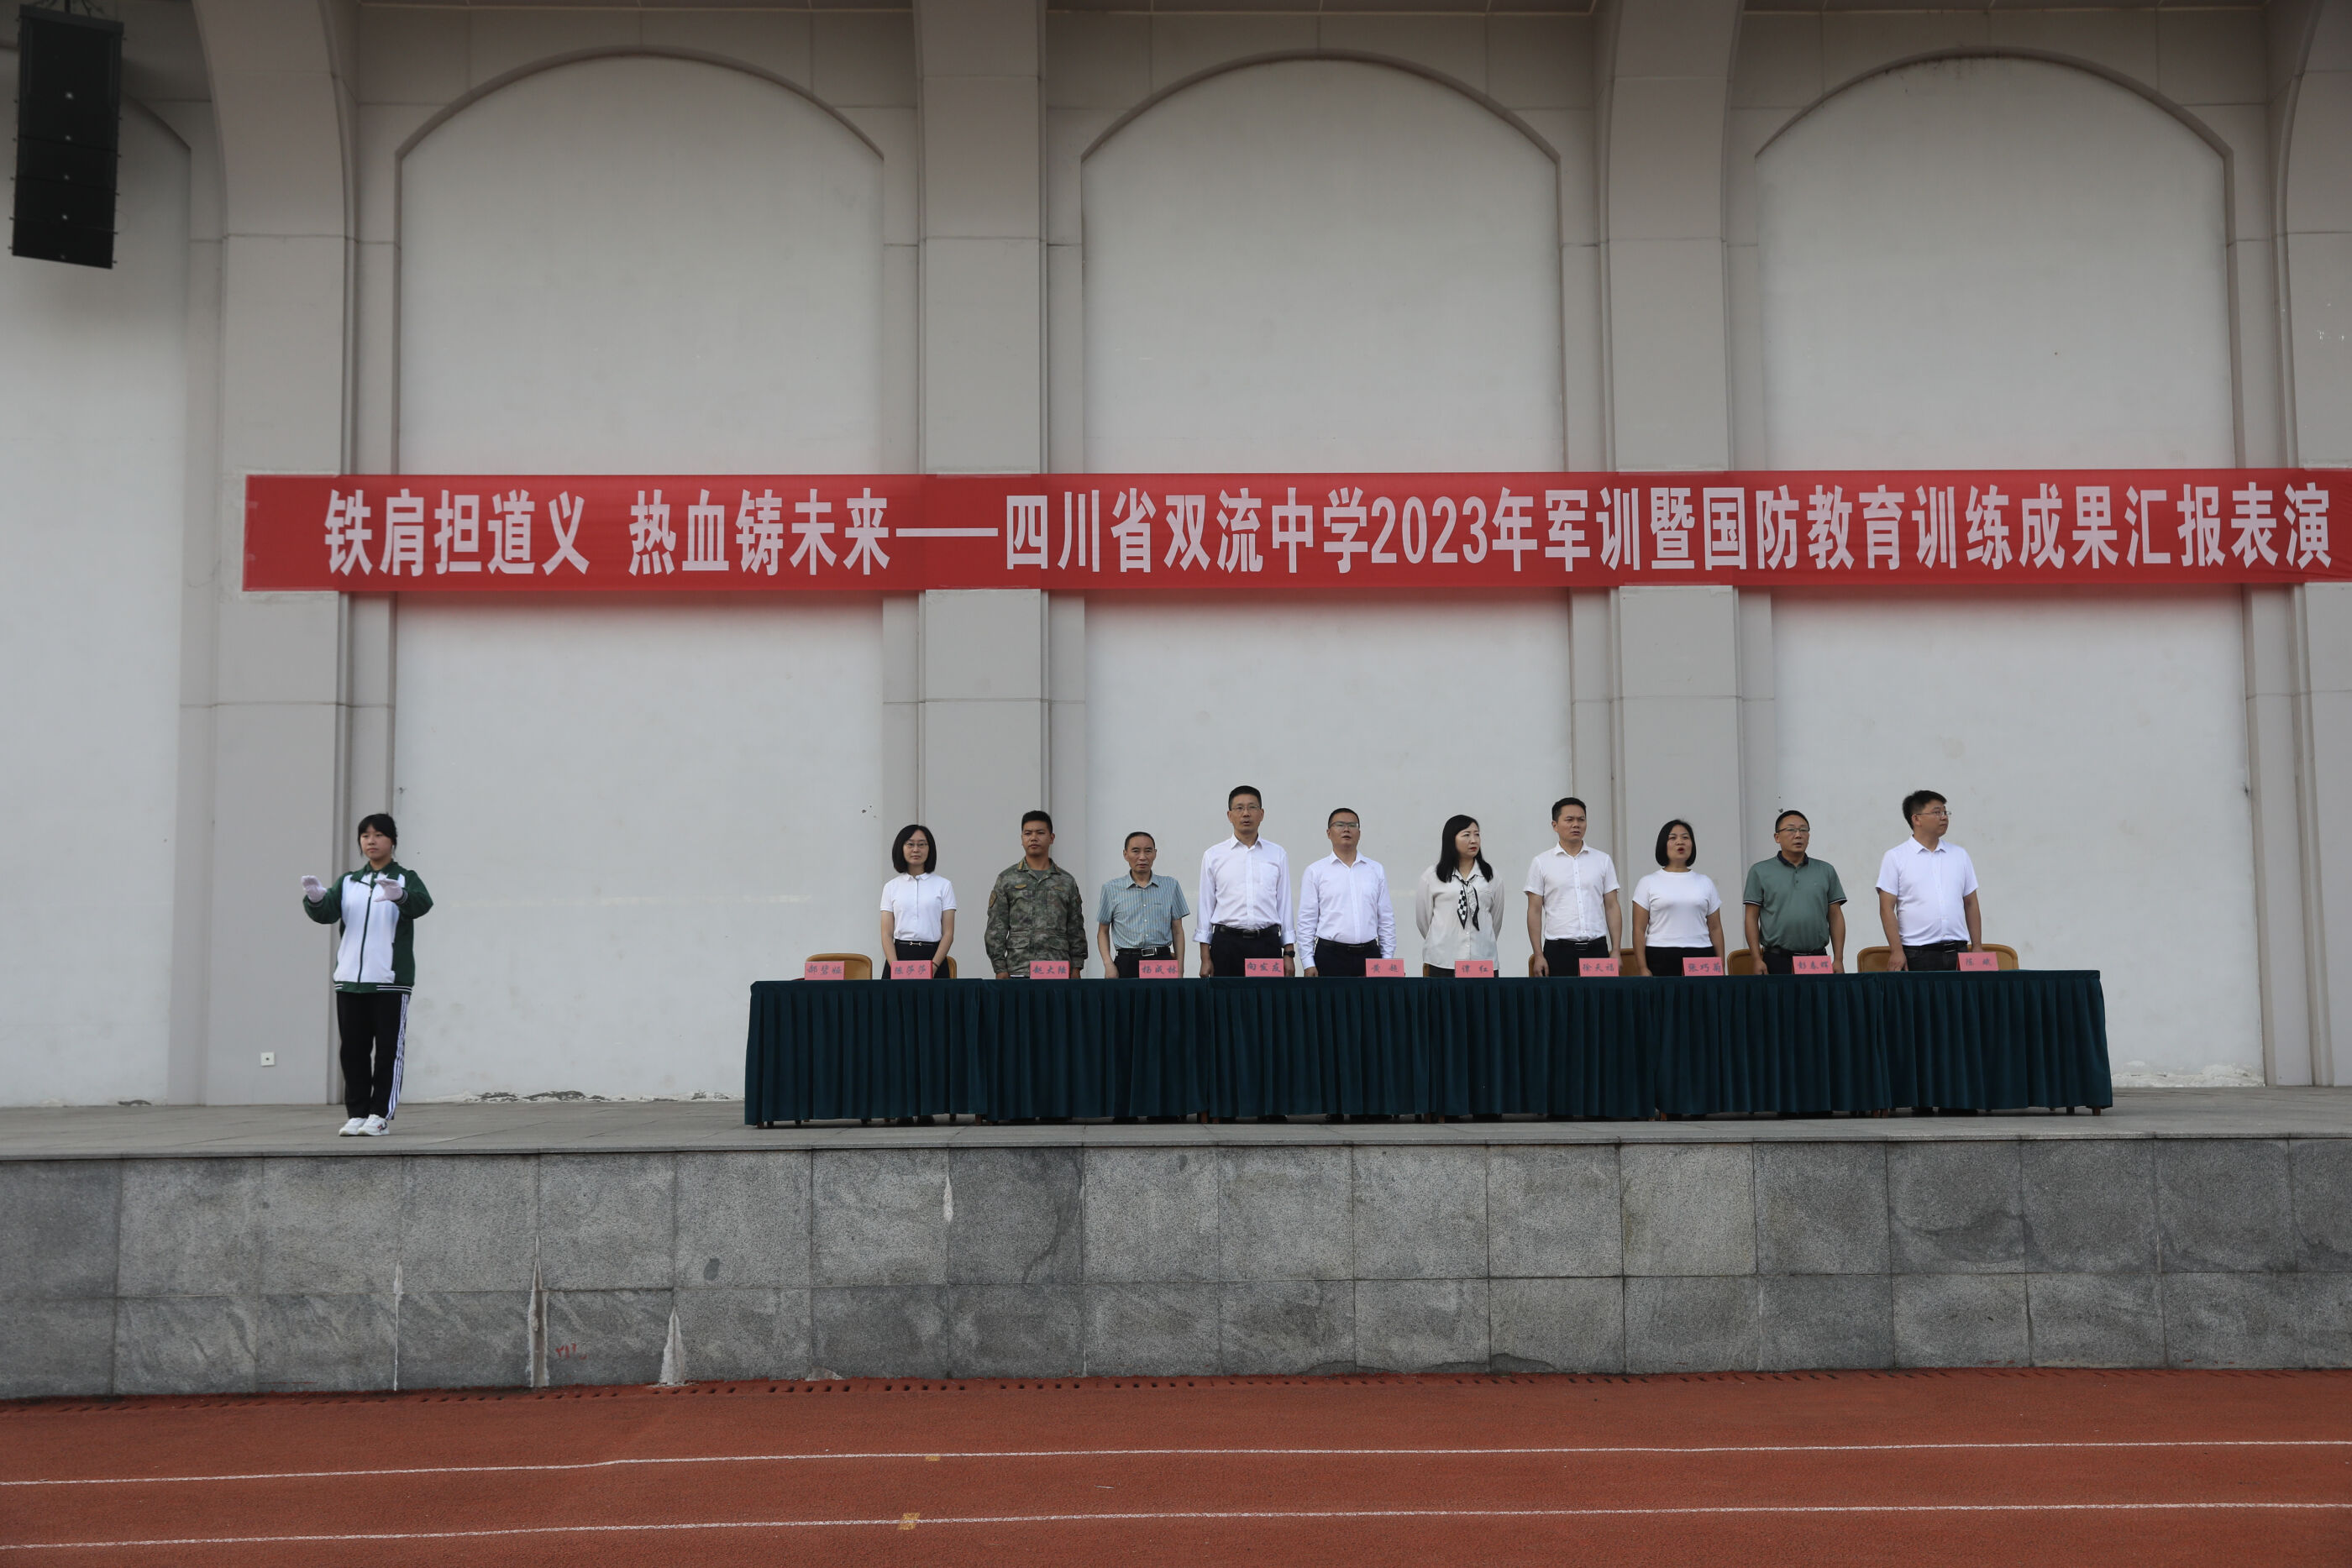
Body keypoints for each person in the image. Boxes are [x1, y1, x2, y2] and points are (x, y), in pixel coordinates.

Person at [302, 813, 433, 1138]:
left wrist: (400, 896)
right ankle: (357, 1114)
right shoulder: (348, 882)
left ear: (392, 841)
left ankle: (379, 1115)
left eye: (378, 835)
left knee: (388, 1051)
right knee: (352, 1051)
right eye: (365, 836)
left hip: (389, 980)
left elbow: (422, 905)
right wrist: (316, 899)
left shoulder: (405, 877)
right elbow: (327, 913)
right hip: (350, 980)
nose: (371, 841)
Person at [1877, 789, 1982, 972]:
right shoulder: (1895, 857)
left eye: (1945, 812)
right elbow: (1886, 908)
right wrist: (1896, 950)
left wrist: (1977, 946)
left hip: (1959, 952)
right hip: (1917, 954)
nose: (1944, 817)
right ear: (1916, 819)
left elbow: (1971, 902)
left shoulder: (1960, 855)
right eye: (1937, 812)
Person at [1196, 785, 1294, 978]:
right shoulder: (1214, 855)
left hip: (1266, 943)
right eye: (1239, 808)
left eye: (1252, 807)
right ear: (1229, 815)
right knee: (1226, 997)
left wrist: (1289, 953)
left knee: (1265, 997)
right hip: (1227, 944)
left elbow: (1284, 905)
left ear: (1262, 814)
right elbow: (1205, 907)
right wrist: (1205, 957)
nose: (1246, 813)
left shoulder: (1277, 854)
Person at [1525, 796, 1621, 977]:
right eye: (1569, 820)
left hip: (1596, 949)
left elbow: (1612, 906)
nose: (1576, 825)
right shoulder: (1541, 862)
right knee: (1561, 996)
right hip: (1559, 951)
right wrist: (1538, 955)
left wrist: (1616, 949)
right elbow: (1534, 911)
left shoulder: (1603, 860)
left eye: (1581, 819)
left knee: (1598, 996)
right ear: (1555, 825)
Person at [985, 810, 1088, 979]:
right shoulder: (1007, 879)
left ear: (1051, 838)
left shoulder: (1066, 881)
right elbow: (996, 927)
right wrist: (1000, 968)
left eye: (1040, 833)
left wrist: (1077, 966)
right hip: (1019, 968)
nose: (1033, 838)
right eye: (1028, 833)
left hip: (1058, 969)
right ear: (1022, 839)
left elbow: (1075, 928)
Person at [1742, 809, 1847, 973]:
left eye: (1803, 830)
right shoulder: (1760, 871)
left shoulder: (1825, 870)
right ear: (1777, 837)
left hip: (1816, 959)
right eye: (1791, 829)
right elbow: (1751, 917)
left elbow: (1835, 916)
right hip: (1776, 959)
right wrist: (1756, 958)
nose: (1798, 835)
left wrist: (1839, 959)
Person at [1298, 808, 1396, 978]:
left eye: (1352, 825)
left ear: (1359, 833)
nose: (1346, 829)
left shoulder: (1375, 870)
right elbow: (1307, 920)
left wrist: (1386, 960)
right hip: (1330, 956)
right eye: (1340, 825)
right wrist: (1307, 962)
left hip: (1370, 955)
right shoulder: (1316, 871)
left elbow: (1386, 919)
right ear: (1329, 833)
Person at [1630, 818, 1725, 976]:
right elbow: (1639, 930)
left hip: (1701, 954)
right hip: (1660, 954)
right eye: (1673, 838)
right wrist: (1642, 967)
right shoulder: (1647, 882)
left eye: (1685, 837)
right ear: (1663, 844)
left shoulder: (1705, 882)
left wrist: (1720, 965)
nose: (1680, 842)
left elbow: (1715, 928)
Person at [1416, 815, 1502, 977]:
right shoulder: (1432, 876)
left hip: (1482, 961)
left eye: (1477, 834)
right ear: (1451, 839)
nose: (1473, 840)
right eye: (1466, 835)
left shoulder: (1491, 875)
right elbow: (1423, 920)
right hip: (1443, 961)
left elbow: (1495, 918)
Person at [1097, 831, 1189, 978]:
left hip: (1161, 960)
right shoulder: (1111, 888)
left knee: (1164, 995)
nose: (1142, 857)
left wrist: (1180, 969)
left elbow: (1177, 930)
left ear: (1155, 853)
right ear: (1125, 854)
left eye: (1148, 851)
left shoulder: (1170, 885)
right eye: (1135, 851)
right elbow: (1103, 931)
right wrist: (1108, 964)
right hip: (1127, 962)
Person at [878, 824, 955, 979]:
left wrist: (933, 966)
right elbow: (886, 934)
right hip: (899, 956)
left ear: (929, 849)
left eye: (921, 844)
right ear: (901, 848)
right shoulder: (891, 887)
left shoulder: (944, 885)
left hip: (933, 957)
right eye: (910, 844)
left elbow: (948, 933)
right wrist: (896, 968)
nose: (916, 849)